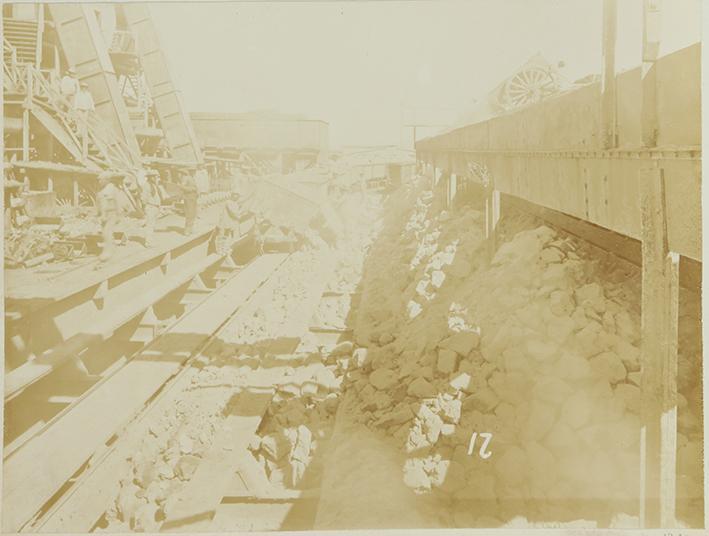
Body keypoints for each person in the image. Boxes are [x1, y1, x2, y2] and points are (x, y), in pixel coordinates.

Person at [96, 170, 120, 261]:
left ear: (106, 180)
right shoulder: (103, 189)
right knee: (106, 232)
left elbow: (109, 203)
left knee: (107, 233)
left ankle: (107, 252)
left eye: (100, 180)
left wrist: (104, 215)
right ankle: (111, 249)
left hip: (110, 213)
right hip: (106, 213)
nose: (99, 182)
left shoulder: (110, 189)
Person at [139, 169, 161, 248]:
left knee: (152, 225)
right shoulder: (147, 185)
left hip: (154, 207)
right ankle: (148, 243)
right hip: (150, 207)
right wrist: (146, 207)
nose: (156, 178)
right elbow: (143, 198)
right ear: (151, 177)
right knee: (150, 225)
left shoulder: (153, 185)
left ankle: (150, 241)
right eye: (155, 176)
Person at [73, 82, 95, 158]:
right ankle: (79, 132)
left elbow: (91, 102)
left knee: (84, 122)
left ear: (86, 88)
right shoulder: (78, 94)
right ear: (81, 87)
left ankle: (83, 132)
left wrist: (92, 108)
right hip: (79, 108)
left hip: (86, 109)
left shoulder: (88, 94)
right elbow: (76, 101)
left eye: (85, 87)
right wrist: (75, 108)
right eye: (82, 87)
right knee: (79, 121)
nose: (84, 88)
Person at [179, 169, 199, 235]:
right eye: (193, 171)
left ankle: (190, 229)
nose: (194, 172)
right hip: (188, 198)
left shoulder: (192, 178)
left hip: (193, 197)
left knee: (193, 214)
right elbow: (182, 187)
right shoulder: (185, 178)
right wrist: (192, 189)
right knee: (189, 214)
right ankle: (186, 230)